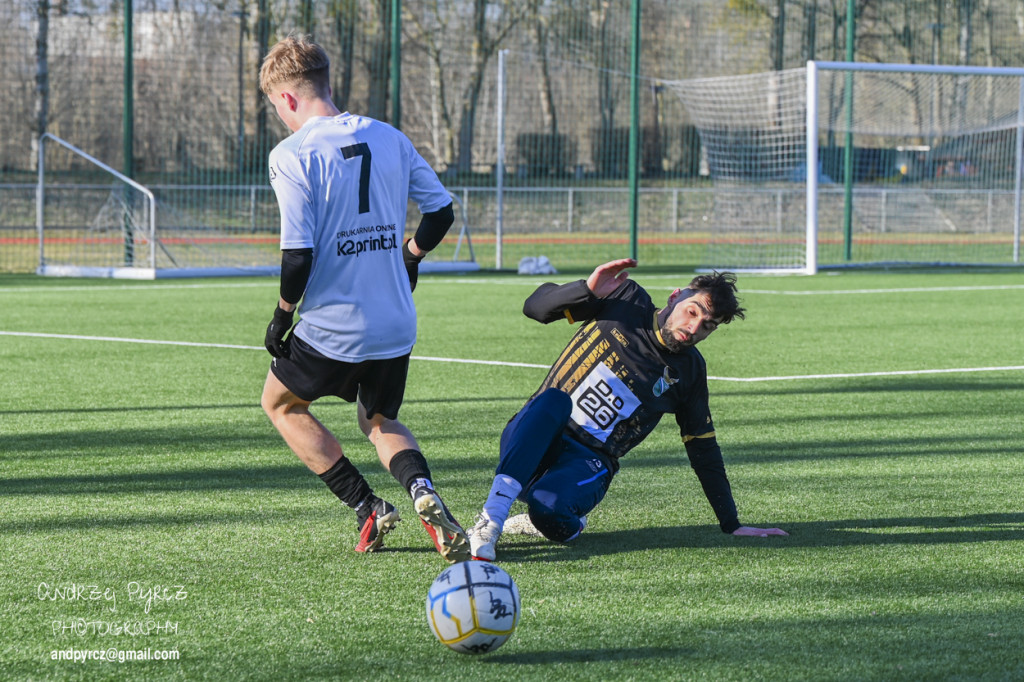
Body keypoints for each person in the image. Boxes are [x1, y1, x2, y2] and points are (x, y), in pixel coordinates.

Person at [257, 35, 469, 564]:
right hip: (396, 320)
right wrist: (410, 256)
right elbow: (441, 213)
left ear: (285, 99)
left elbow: (298, 256)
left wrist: (282, 316)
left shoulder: (291, 154)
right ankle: (424, 492)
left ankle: (366, 505)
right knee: (380, 419)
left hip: (334, 324)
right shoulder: (389, 136)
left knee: (280, 404)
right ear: (328, 84)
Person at [468, 258, 787, 561]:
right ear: (676, 297)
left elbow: (703, 448)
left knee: (546, 510)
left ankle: (563, 522)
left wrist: (731, 522)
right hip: (533, 438)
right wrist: (587, 290)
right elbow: (535, 308)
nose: (694, 328)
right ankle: (491, 519)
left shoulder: (689, 371)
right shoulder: (626, 299)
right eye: (692, 312)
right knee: (554, 400)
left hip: (589, 462)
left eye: (708, 326)